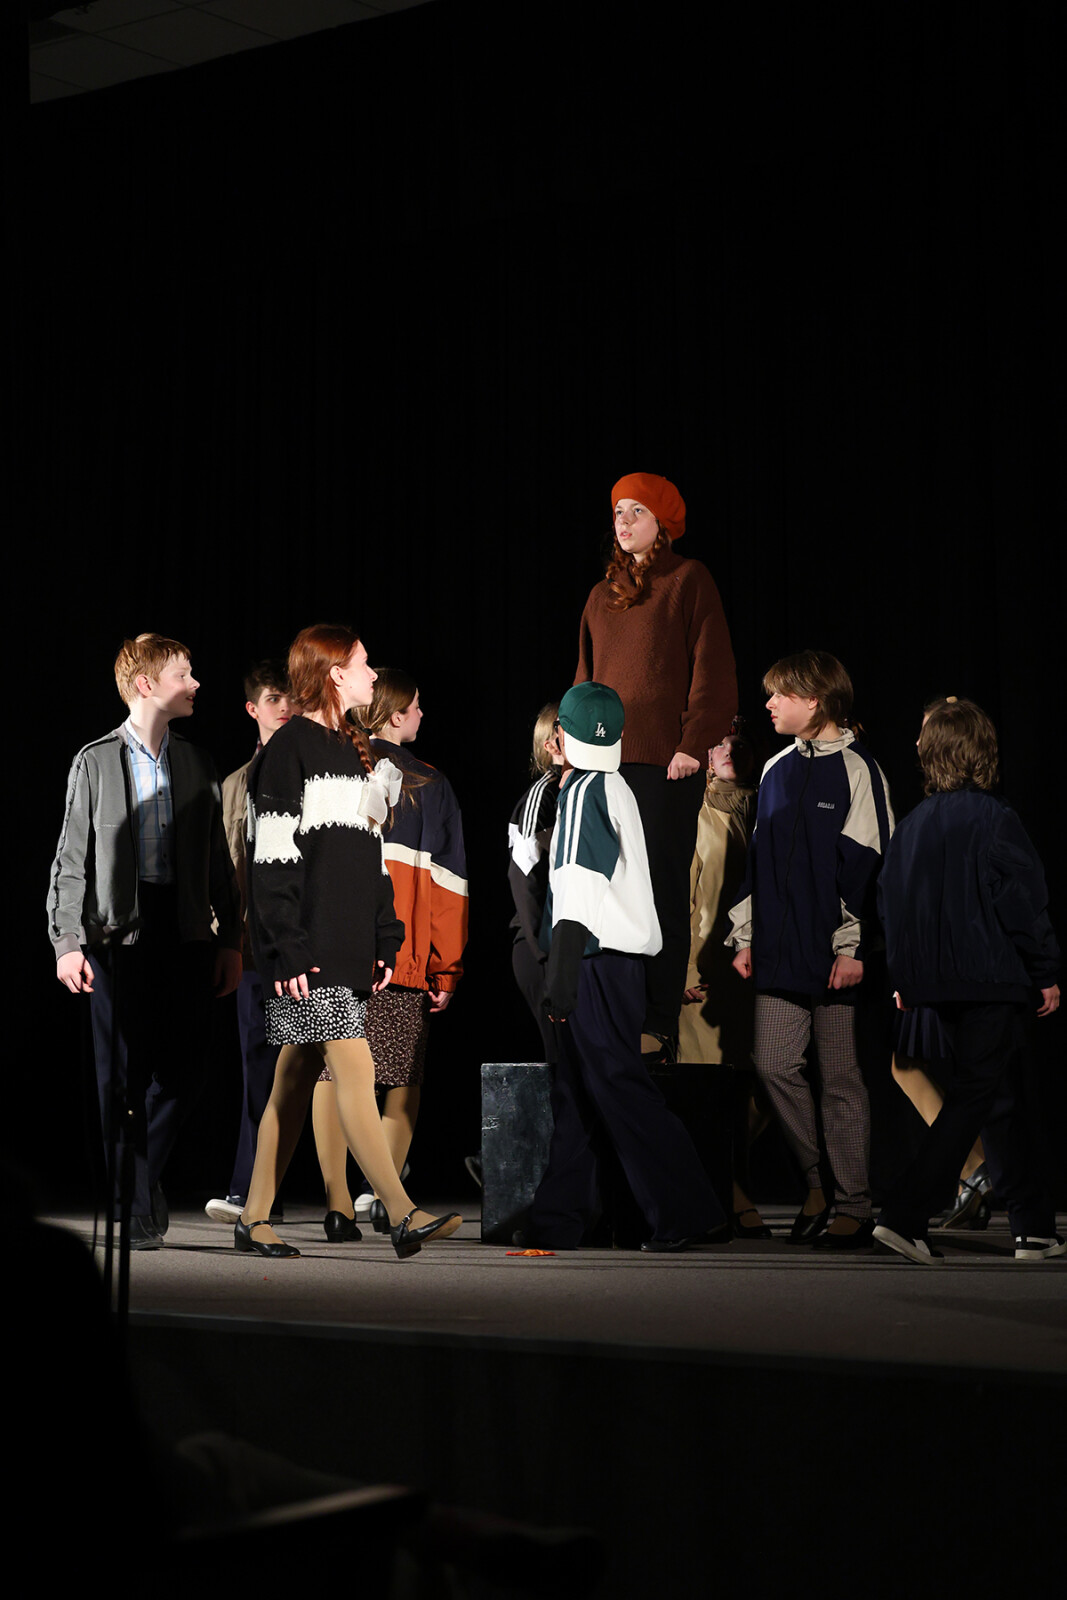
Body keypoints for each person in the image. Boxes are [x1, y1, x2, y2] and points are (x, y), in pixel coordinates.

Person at [236, 624, 460, 1261]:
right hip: (308, 952)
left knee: (293, 1081)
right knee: (354, 1067)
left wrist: (386, 936)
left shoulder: (352, 749)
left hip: (345, 946)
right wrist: (287, 947)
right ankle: (402, 1211)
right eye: (363, 665)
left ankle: (253, 1218)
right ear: (335, 674)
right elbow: (271, 860)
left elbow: (370, 858)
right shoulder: (290, 749)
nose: (372, 675)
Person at [48, 633, 242, 1248]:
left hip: (183, 929)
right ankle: (131, 1208)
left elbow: (218, 862)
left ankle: (136, 1183)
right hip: (116, 934)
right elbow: (70, 859)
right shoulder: (95, 761)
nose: (196, 683)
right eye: (184, 673)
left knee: (189, 1071)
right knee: (120, 1078)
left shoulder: (198, 762)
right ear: (146, 684)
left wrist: (231, 939)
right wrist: (66, 941)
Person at [523, 683, 726, 1252]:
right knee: (579, 1090)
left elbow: (578, 883)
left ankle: (689, 1211)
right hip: (617, 961)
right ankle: (557, 1219)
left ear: (562, 735)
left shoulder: (584, 790)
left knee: (618, 1085)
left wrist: (561, 975)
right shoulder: (616, 784)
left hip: (594, 958)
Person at [873, 698, 1062, 1265]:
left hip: (936, 985)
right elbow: (1022, 901)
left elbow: (892, 910)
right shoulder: (995, 818)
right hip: (989, 979)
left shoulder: (912, 825)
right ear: (982, 752)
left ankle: (1032, 1227)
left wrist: (905, 979)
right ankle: (904, 1216)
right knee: (977, 1097)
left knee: (998, 1099)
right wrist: (1046, 971)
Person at [727, 650, 893, 1250]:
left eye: (781, 695)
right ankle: (820, 1183)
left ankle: (854, 1204)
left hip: (834, 957)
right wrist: (746, 933)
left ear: (815, 700)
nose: (769, 704)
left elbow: (871, 867)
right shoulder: (775, 768)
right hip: (778, 952)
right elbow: (757, 864)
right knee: (773, 1065)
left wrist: (853, 947)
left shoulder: (859, 770)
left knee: (841, 1078)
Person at [575, 473, 737, 1063]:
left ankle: (658, 1020)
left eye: (636, 511)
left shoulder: (689, 579)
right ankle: (611, 1014)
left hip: (666, 763)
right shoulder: (601, 595)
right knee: (607, 887)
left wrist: (693, 743)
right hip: (605, 765)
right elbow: (586, 682)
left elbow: (712, 668)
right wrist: (575, 753)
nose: (622, 521)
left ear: (662, 522)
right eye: (617, 510)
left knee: (661, 886)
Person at [311, 668, 469, 1235]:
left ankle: (337, 1205)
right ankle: (387, 1198)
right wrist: (445, 966)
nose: (423, 714)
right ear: (397, 714)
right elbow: (448, 885)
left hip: (335, 946)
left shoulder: (331, 764)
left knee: (330, 1073)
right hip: (400, 953)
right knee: (401, 1077)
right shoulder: (430, 783)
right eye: (417, 705)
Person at [205, 660, 299, 1225]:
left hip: (306, 942)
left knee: (328, 1070)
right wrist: (228, 940)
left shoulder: (315, 768)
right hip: (254, 944)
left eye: (289, 697)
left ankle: (363, 1191)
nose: (283, 707)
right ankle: (253, 1190)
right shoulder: (236, 784)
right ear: (252, 708)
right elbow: (226, 868)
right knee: (257, 1067)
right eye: (272, 698)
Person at [678, 721, 771, 1238]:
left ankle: (724, 1182)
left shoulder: (768, 809)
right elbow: (681, 898)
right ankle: (730, 1194)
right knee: (709, 1089)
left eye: (740, 742)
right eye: (720, 742)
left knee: (767, 1086)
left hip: (758, 971)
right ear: (706, 757)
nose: (730, 749)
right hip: (706, 972)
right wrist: (684, 971)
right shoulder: (695, 813)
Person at [507, 702, 563, 1064]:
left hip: (568, 949)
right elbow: (523, 876)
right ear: (551, 743)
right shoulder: (544, 795)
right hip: (542, 947)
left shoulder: (587, 789)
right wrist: (548, 954)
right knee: (564, 1061)